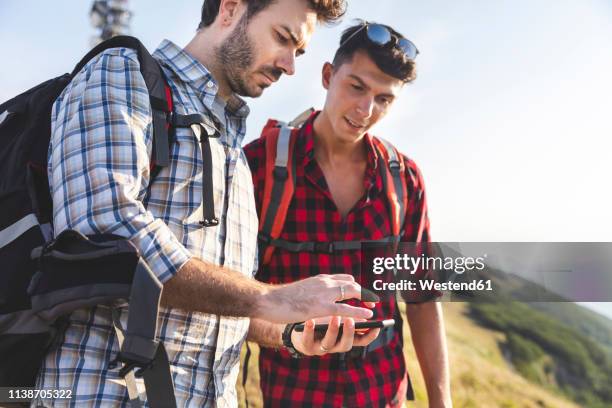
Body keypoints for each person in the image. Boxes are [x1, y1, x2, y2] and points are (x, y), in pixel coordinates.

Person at [33, 1, 382, 407]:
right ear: (231, 9)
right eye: (283, 39)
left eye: (298, 52)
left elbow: (218, 302)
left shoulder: (234, 148)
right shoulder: (121, 73)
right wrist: (273, 298)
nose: (289, 66)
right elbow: (106, 230)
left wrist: (290, 331)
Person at [244, 21, 452, 407]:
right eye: (356, 86)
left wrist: (442, 402)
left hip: (383, 393)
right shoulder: (260, 165)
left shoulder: (404, 180)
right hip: (294, 395)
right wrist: (290, 331)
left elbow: (422, 298)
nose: (365, 110)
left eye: (384, 99)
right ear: (327, 75)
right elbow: (234, 299)